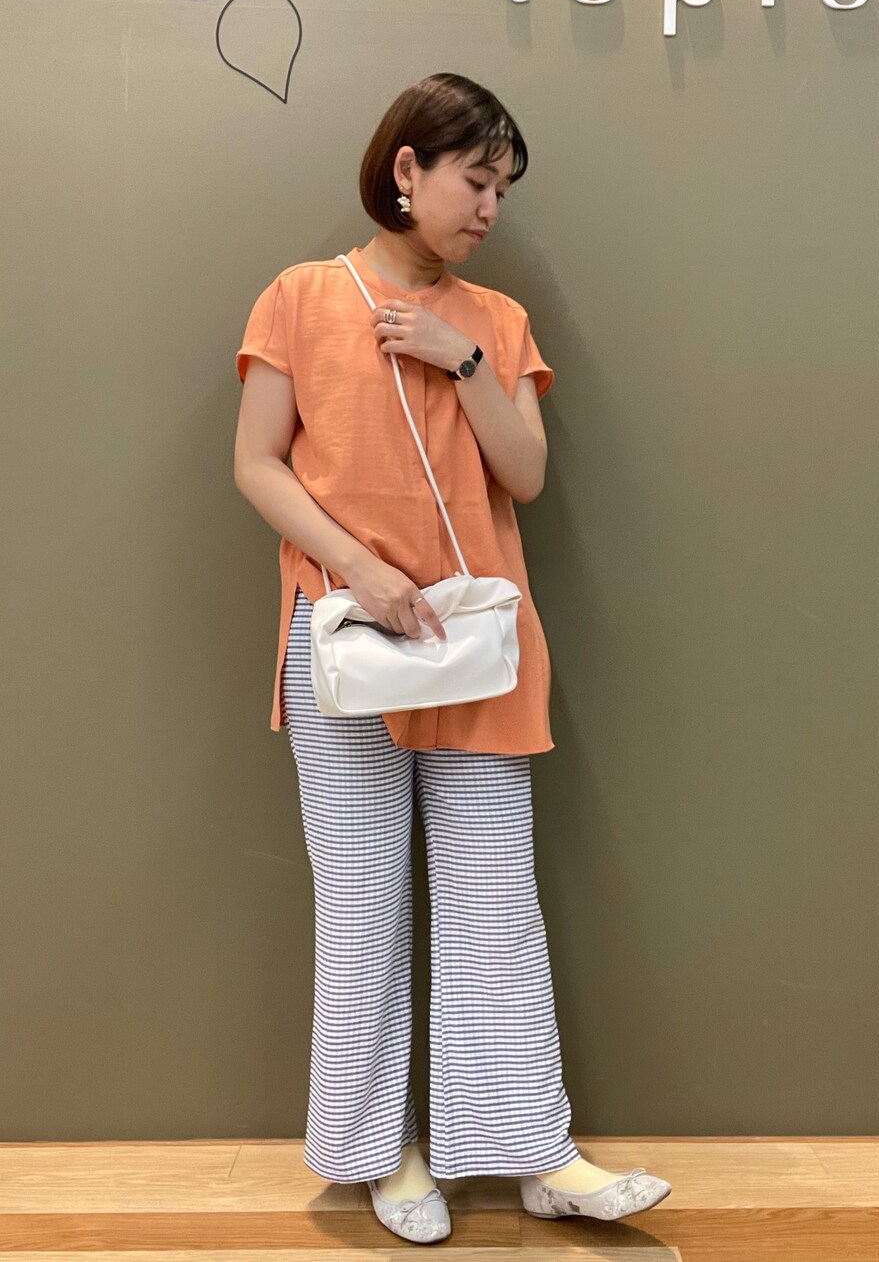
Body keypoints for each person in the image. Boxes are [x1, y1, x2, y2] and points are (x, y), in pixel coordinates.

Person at [233, 72, 671, 1245]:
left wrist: (457, 356)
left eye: (501, 189)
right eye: (475, 180)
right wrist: (355, 566)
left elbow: (523, 474)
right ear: (405, 170)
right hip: (344, 636)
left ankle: (534, 1150)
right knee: (361, 901)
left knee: (493, 902)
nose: (488, 207)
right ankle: (385, 1155)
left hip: (476, 643)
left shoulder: (497, 319)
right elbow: (256, 461)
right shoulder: (299, 296)